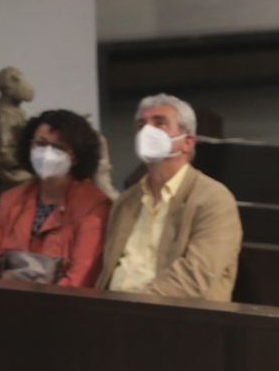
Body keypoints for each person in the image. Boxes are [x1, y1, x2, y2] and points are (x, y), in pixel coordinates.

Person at [97, 93, 242, 301]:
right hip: (116, 314)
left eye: (160, 123)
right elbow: (107, 271)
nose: (147, 131)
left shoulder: (214, 199)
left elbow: (194, 277)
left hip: (177, 318)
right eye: (141, 125)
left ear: (188, 142)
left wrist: (132, 308)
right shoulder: (126, 202)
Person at [0, 109, 110, 287]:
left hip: (62, 307)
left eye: (58, 147)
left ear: (76, 157)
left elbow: (82, 274)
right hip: (2, 303)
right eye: (40, 144)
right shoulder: (11, 199)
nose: (46, 153)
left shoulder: (94, 206)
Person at [0, 66, 35, 185]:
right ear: (7, 88)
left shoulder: (13, 112)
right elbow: (3, 154)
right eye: (16, 80)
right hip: (8, 173)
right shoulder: (3, 115)